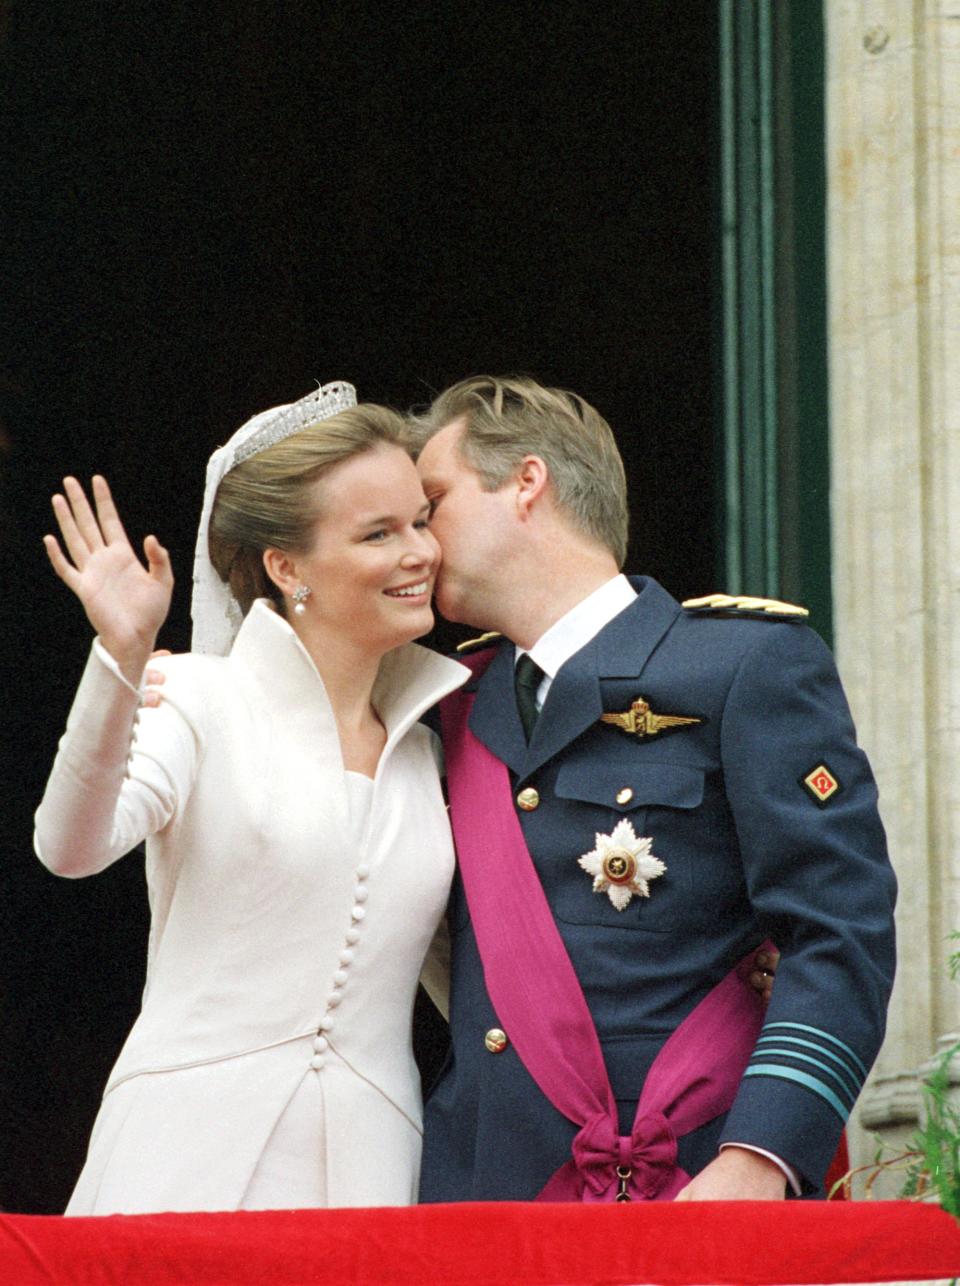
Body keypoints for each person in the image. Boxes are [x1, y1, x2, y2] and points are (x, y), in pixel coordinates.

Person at [409, 374, 897, 1203]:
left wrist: (762, 1155)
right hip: (483, 1195)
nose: (416, 541)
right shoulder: (438, 703)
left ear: (526, 483)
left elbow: (838, 931)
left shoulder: (742, 666)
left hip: (696, 1180)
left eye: (432, 504)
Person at [33, 383, 470, 1214]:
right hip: (181, 1163)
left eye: (420, 521)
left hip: (371, 1176)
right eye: (379, 533)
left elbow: (470, 979)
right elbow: (70, 846)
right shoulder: (198, 698)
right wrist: (121, 656)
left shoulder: (428, 750)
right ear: (287, 567)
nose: (419, 552)